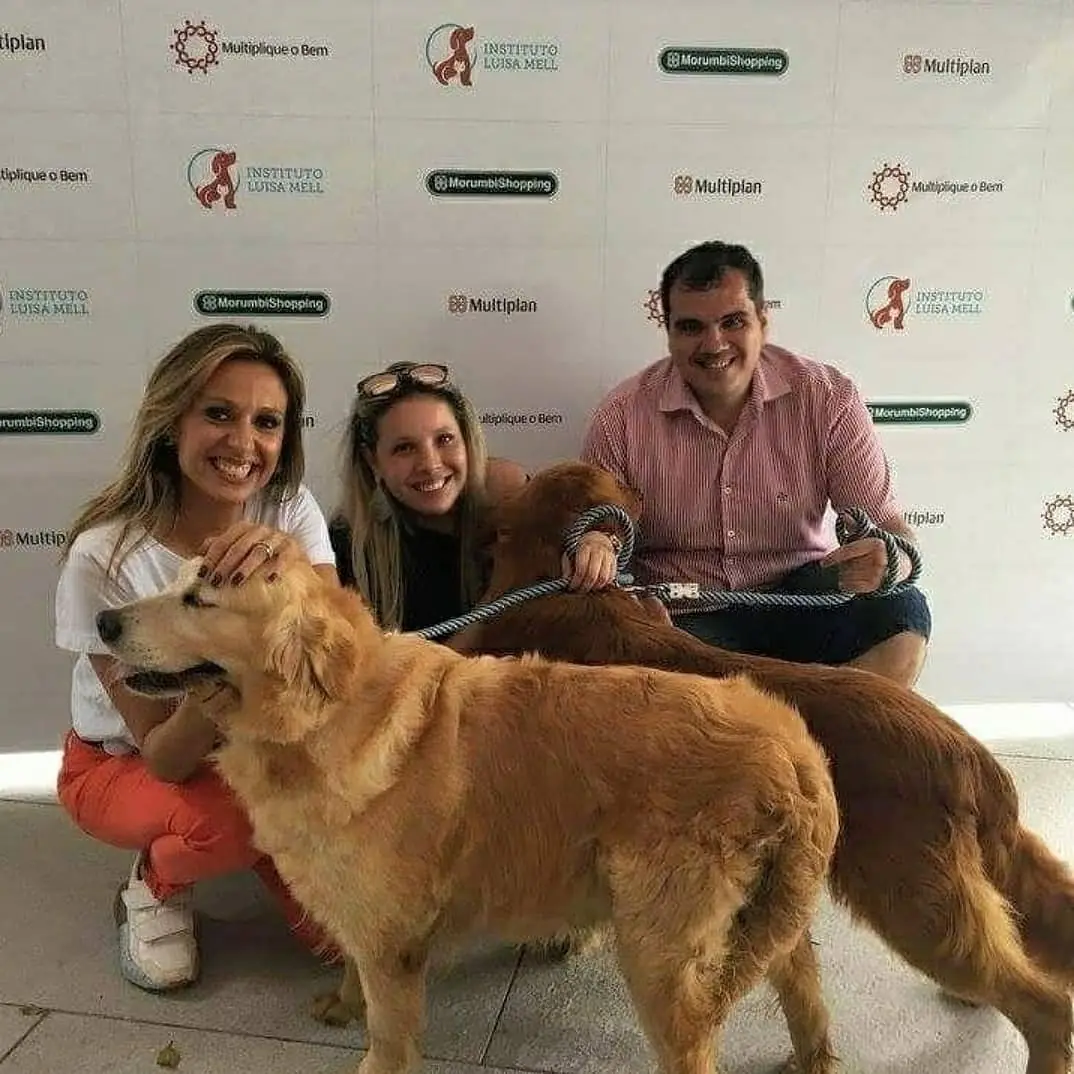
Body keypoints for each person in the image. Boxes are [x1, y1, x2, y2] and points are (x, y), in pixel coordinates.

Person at [53, 323, 341, 993]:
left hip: (256, 745)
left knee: (341, 940)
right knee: (231, 820)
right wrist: (224, 672)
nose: (243, 443)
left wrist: (291, 570)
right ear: (170, 421)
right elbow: (164, 756)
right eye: (218, 413)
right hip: (127, 760)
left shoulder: (289, 508)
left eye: (266, 422)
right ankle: (156, 880)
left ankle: (269, 843)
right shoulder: (102, 556)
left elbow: (325, 670)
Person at [580, 240, 932, 689]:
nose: (714, 344)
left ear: (763, 322)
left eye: (733, 322)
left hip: (803, 597)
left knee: (901, 609)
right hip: (686, 618)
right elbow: (597, 533)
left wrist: (890, 561)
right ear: (668, 333)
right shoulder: (621, 416)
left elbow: (889, 529)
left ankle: (825, 721)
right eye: (691, 327)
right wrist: (601, 557)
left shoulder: (827, 397)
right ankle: (805, 717)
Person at [329, 361, 620, 633]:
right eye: (404, 448)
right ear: (372, 460)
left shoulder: (510, 494)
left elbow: (598, 518)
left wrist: (596, 540)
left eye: (444, 439)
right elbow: (424, 669)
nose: (430, 464)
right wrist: (502, 588)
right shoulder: (348, 545)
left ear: (467, 441)